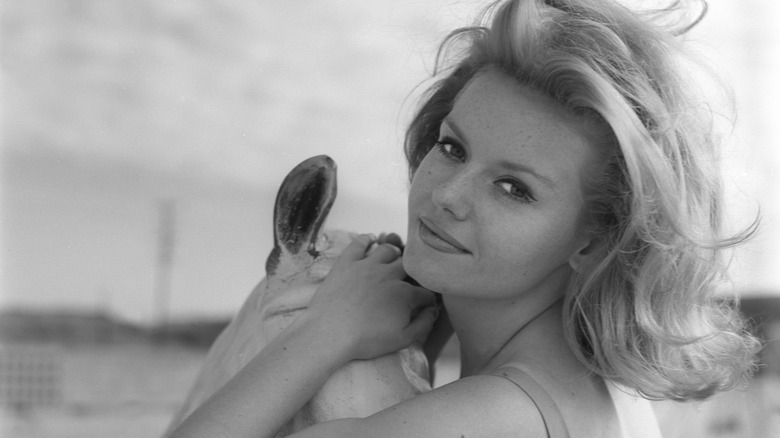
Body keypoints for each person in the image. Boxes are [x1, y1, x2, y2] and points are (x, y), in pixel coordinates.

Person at [169, 0, 760, 436]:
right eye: (452, 147)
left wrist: (327, 332)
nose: (448, 194)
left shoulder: (495, 417)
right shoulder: (592, 392)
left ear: (596, 240)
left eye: (513, 188)